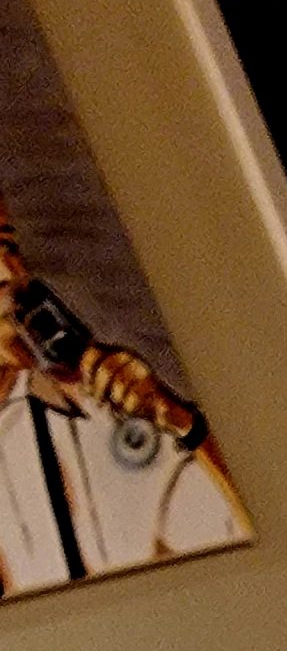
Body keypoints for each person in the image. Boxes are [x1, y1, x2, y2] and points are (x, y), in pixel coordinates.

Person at [0, 189, 246, 596]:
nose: (8, 273)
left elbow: (261, 538)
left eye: (8, 246)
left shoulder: (97, 417)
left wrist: (180, 422)